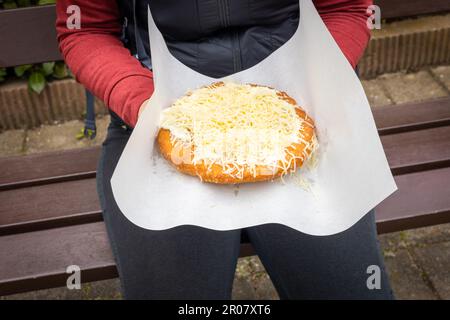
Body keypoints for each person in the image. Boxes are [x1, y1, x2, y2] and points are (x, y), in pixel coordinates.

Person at [56, 0, 393, 300]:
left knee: (350, 287)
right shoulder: (153, 115)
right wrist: (145, 104)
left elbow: (344, 8)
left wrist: (317, 86)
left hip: (295, 114)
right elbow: (86, 29)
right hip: (157, 121)